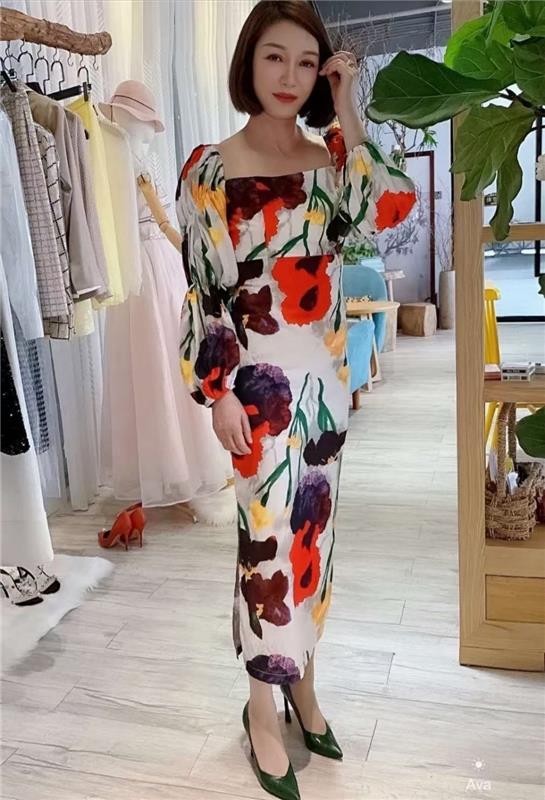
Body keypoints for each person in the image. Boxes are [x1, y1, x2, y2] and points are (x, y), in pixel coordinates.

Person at [176, 2, 416, 798]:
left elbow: (389, 208)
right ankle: (259, 706)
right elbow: (205, 290)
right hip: (256, 388)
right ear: (248, 61)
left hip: (324, 385)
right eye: (274, 57)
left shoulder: (330, 159)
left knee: (312, 542)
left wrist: (348, 109)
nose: (289, 75)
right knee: (264, 546)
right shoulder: (210, 169)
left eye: (307, 62)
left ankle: (303, 688)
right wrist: (216, 391)